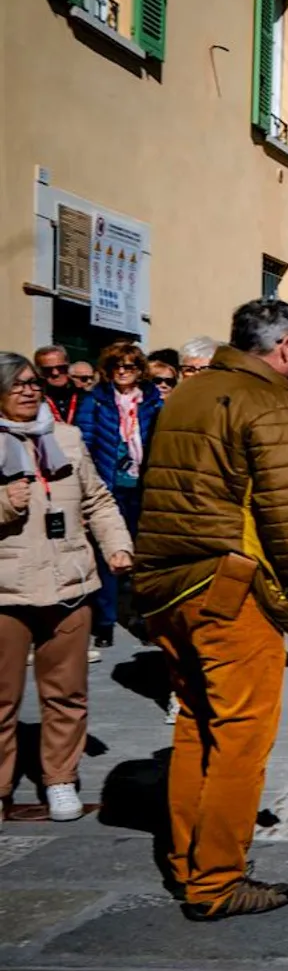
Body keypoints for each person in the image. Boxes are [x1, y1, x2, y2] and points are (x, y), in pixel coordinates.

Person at [134, 299, 288, 919]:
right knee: (241, 736)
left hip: (167, 583)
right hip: (229, 586)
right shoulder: (272, 402)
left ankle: (186, 861)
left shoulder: (186, 394)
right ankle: (217, 880)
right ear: (284, 347)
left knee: (196, 724)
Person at [0, 352, 132, 824]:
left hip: (69, 583)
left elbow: (97, 500)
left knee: (67, 693)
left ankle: (60, 778)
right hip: (7, 591)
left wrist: (117, 545)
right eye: (16, 384)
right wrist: (4, 503)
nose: (29, 391)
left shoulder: (67, 437)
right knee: (2, 699)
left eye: (33, 383)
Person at [73, 340, 162, 649]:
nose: (123, 372)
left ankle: (144, 618)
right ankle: (105, 622)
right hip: (108, 487)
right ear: (108, 370)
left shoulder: (152, 401)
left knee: (144, 556)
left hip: (143, 487)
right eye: (117, 366)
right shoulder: (96, 400)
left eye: (129, 366)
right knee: (109, 556)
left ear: (139, 370)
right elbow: (83, 444)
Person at [34, 346, 83, 425]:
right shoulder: (34, 400)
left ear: (68, 367)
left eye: (61, 368)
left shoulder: (85, 396)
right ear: (39, 372)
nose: (55, 373)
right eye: (47, 369)